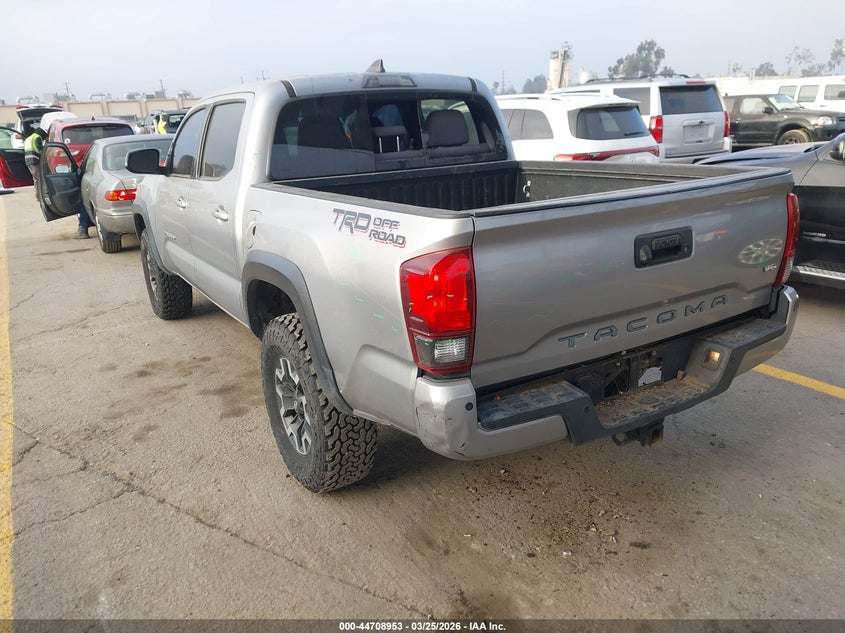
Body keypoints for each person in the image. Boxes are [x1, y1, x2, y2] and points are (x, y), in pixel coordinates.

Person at [23, 126, 46, 200]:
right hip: (35, 160)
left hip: (28, 161)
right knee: (39, 179)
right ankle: (40, 196)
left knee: (35, 178)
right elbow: (39, 148)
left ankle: (38, 196)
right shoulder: (37, 137)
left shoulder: (28, 139)